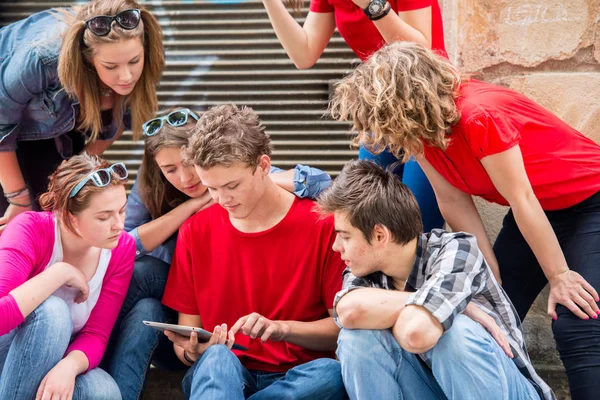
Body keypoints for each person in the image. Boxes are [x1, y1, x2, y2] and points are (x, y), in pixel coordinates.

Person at [329, 41, 600, 399]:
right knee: (495, 307)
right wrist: (484, 276)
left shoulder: (478, 115)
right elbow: (452, 200)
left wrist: (559, 275)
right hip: (538, 209)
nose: (378, 134)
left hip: (590, 199)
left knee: (576, 318)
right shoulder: (419, 134)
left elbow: (522, 198)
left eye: (379, 118)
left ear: (401, 103)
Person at [104, 107, 333, 399]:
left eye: (232, 185)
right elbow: (186, 336)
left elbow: (340, 328)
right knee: (216, 359)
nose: (222, 200)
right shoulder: (194, 229)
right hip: (223, 370)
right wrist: (192, 351)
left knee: (330, 373)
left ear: (263, 167)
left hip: (297, 373)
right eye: (211, 189)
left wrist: (281, 329)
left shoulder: (320, 222)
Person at [317, 160, 554, 399]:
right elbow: (348, 312)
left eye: (345, 237)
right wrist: (453, 306)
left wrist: (385, 313)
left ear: (380, 235)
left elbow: (417, 334)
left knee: (454, 333)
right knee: (356, 337)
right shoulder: (362, 271)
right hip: (433, 389)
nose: (337, 247)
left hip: (508, 390)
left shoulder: (457, 249)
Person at [261, 0, 446, 231]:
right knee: (368, 216)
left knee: (420, 222)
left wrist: (371, 4)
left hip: (427, 109)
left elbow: (420, 53)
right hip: (381, 113)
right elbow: (304, 53)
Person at [0, 0, 164, 233]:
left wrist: (76, 170)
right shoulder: (41, 60)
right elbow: (1, 126)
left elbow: (119, 119)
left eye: (134, 62)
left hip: (61, 128)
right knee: (22, 225)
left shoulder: (140, 45)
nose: (127, 75)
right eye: (111, 66)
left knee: (60, 215)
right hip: (7, 132)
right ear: (87, 60)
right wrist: (18, 199)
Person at [0, 153, 135, 400]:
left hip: (57, 356)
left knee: (104, 391)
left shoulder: (121, 248)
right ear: (69, 216)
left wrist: (68, 367)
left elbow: (97, 334)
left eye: (122, 211)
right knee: (53, 311)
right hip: (6, 356)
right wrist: (59, 273)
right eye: (104, 217)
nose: (118, 225)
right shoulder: (29, 229)